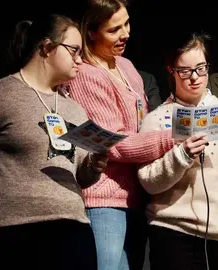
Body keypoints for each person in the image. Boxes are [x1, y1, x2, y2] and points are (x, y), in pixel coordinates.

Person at [137, 31, 218, 270]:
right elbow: (148, 182)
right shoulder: (156, 119)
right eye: (184, 71)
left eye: (201, 68)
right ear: (171, 71)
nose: (194, 78)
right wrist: (180, 156)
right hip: (171, 233)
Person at [66, 0, 174, 269]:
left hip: (135, 198)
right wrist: (174, 137)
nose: (125, 33)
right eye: (114, 29)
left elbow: (140, 125)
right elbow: (111, 143)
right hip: (103, 200)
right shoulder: (85, 75)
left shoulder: (126, 66)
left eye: (126, 24)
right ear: (90, 32)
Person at [0, 14, 108, 269]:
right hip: (16, 229)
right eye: (74, 51)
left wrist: (94, 165)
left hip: (73, 228)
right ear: (47, 48)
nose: (80, 59)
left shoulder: (74, 110)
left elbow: (81, 174)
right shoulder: (3, 94)